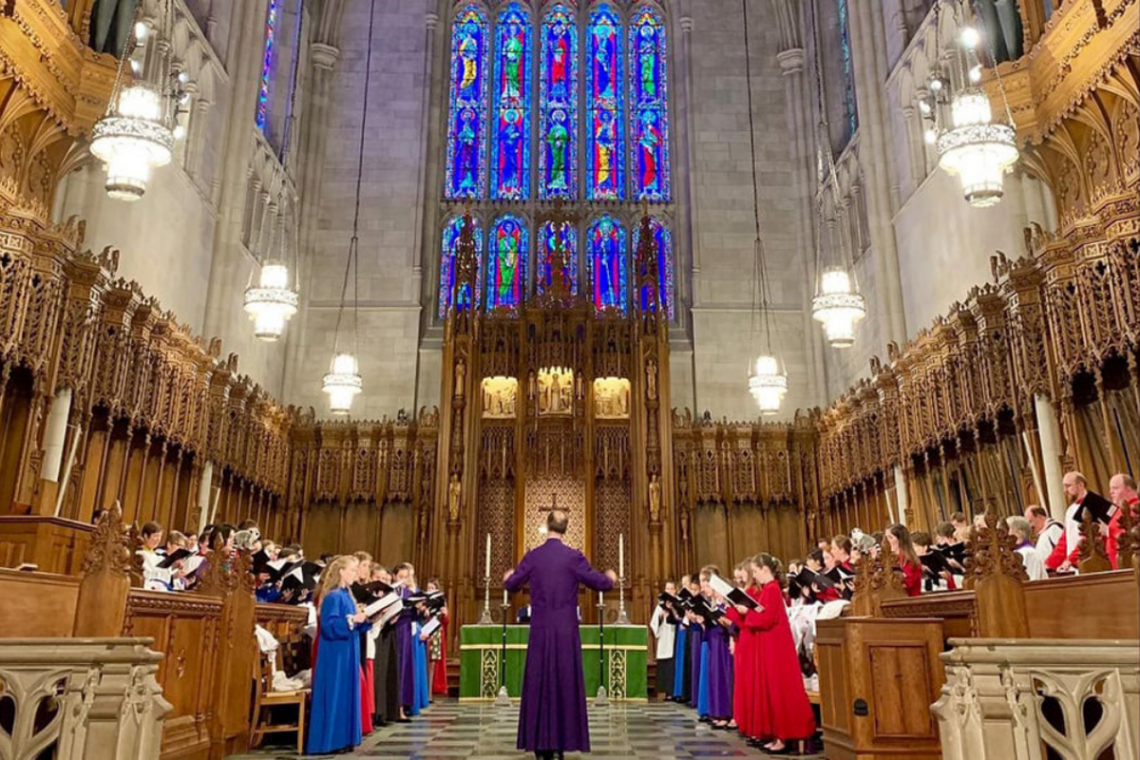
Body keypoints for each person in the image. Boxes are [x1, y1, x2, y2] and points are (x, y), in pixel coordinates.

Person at [503, 509, 615, 760]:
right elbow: (600, 583)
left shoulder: (534, 556)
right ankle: (562, 743)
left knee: (540, 683)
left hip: (541, 630)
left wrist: (508, 576)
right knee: (564, 683)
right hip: (565, 631)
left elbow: (511, 584)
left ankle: (540, 745)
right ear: (566, 528)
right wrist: (610, 578)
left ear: (547, 525)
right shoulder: (573, 557)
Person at [740, 553, 816, 753]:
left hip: (776, 646)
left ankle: (785, 736)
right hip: (770, 644)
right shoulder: (769, 590)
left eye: (755, 571)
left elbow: (766, 619)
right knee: (772, 690)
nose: (754, 576)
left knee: (780, 690)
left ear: (765, 569)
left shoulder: (772, 590)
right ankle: (777, 734)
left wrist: (745, 612)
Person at [307, 555, 370, 755]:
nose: (355, 574)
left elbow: (352, 623)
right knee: (335, 694)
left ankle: (345, 738)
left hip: (348, 651)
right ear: (341, 572)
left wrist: (365, 618)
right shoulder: (333, 596)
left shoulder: (347, 595)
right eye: (352, 570)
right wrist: (353, 620)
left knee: (347, 692)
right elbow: (329, 626)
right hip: (335, 654)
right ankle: (330, 740)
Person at [725, 559, 762, 746]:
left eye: (743, 572)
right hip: (744, 636)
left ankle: (753, 725)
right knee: (745, 683)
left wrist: (742, 610)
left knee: (750, 682)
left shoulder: (755, 592)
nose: (740, 576)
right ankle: (747, 723)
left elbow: (760, 614)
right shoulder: (748, 591)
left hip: (750, 637)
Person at [1046, 472, 1114, 572]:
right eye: (1064, 487)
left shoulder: (1096, 503)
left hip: (1093, 562)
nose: (1065, 491)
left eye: (1068, 486)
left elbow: (1090, 538)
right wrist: (1049, 564)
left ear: (1081, 485)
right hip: (1074, 565)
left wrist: (1070, 560)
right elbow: (1065, 539)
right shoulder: (1070, 509)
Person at [699, 566, 735, 730]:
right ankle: (716, 712)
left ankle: (725, 713)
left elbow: (730, 619)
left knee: (723, 678)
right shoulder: (711, 602)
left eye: (706, 585)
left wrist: (722, 619)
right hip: (713, 639)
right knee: (714, 677)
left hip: (722, 641)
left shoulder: (723, 598)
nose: (704, 588)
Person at [370, 565, 401, 727]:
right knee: (376, 675)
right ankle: (374, 714)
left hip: (384, 633)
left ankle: (382, 712)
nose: (382, 582)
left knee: (382, 673)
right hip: (372, 635)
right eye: (379, 579)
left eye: (385, 580)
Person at [649, 581, 678, 700]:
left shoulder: (678, 604)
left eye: (672, 589)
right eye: (667, 589)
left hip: (674, 636)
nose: (669, 591)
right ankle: (664, 691)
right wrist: (661, 616)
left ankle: (673, 692)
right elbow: (653, 623)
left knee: (673, 663)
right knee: (665, 664)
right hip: (664, 638)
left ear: (675, 591)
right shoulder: (660, 606)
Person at [1105, 474, 1139, 568]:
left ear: (1128, 489)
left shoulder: (1135, 509)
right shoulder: (1117, 510)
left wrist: (1106, 530)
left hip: (1128, 566)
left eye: (1115, 488)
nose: (1111, 492)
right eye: (1110, 488)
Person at [670, 574, 692, 703]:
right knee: (681, 660)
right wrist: (673, 607)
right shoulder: (681, 599)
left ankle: (685, 692)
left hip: (689, 629)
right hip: (682, 629)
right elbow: (678, 617)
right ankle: (680, 691)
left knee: (686, 660)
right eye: (682, 585)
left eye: (686, 584)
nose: (684, 587)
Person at [886, 524, 922, 597]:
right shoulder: (887, 558)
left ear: (900, 539)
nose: (887, 541)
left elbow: (908, 583)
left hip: (908, 601)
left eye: (890, 538)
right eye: (886, 538)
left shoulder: (910, 560)